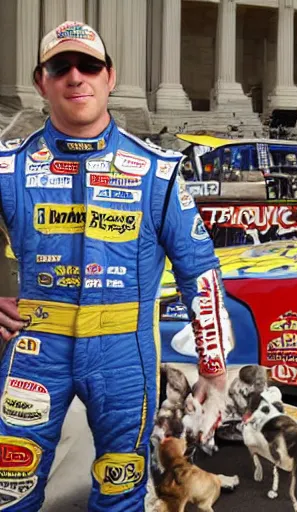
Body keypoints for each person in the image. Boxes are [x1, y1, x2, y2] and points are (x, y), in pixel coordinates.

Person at [0, 21, 232, 511]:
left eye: (88, 65)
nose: (75, 77)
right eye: (60, 66)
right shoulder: (8, 167)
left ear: (109, 77)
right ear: (42, 81)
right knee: (9, 488)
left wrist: (213, 366)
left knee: (120, 493)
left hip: (125, 355)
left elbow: (200, 269)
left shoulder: (157, 170)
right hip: (35, 350)